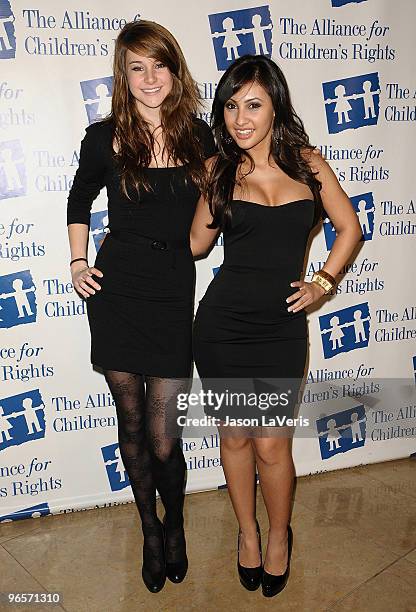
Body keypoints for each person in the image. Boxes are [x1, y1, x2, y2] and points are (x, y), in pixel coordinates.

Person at [190, 55, 362, 598]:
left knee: (273, 447)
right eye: (232, 105)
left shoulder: (308, 163)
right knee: (235, 438)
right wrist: (199, 190)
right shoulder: (220, 169)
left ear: (276, 106)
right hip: (221, 327)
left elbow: (349, 228)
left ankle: (280, 537)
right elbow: (196, 245)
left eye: (254, 104)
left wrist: (324, 283)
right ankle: (247, 534)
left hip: (279, 329)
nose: (241, 117)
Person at [67, 20, 215, 594]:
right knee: (131, 425)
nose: (150, 78)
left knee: (163, 437)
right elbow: (79, 200)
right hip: (118, 288)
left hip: (173, 285)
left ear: (174, 71)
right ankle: (150, 535)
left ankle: (174, 524)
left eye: (159, 65)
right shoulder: (103, 138)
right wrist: (79, 263)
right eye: (137, 67)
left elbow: (222, 202)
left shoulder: (201, 137)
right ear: (123, 77)